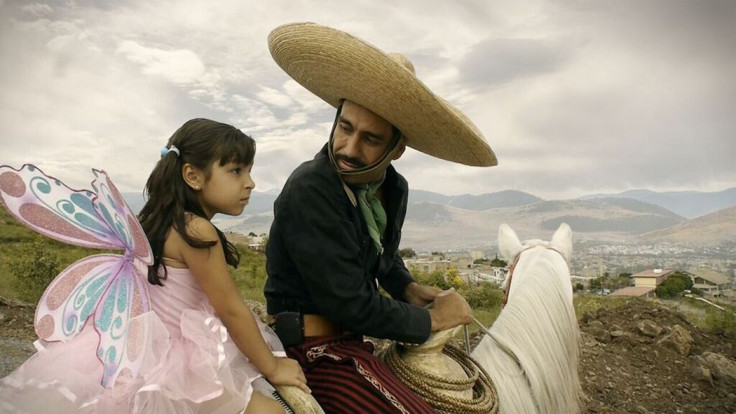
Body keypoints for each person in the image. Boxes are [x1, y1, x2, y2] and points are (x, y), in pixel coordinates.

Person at [264, 23, 498, 413]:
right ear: (336, 119)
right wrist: (430, 320)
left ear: (397, 149)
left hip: (351, 341)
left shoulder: (392, 189)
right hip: (309, 349)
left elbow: (379, 254)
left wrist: (405, 287)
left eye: (370, 139)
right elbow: (349, 305)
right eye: (345, 128)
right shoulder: (311, 189)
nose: (349, 148)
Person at [0, 118, 308, 413]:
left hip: (144, 351)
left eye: (249, 171)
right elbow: (230, 309)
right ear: (193, 176)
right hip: (175, 359)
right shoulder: (197, 231)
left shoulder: (156, 224)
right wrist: (273, 366)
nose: (250, 183)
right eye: (236, 171)